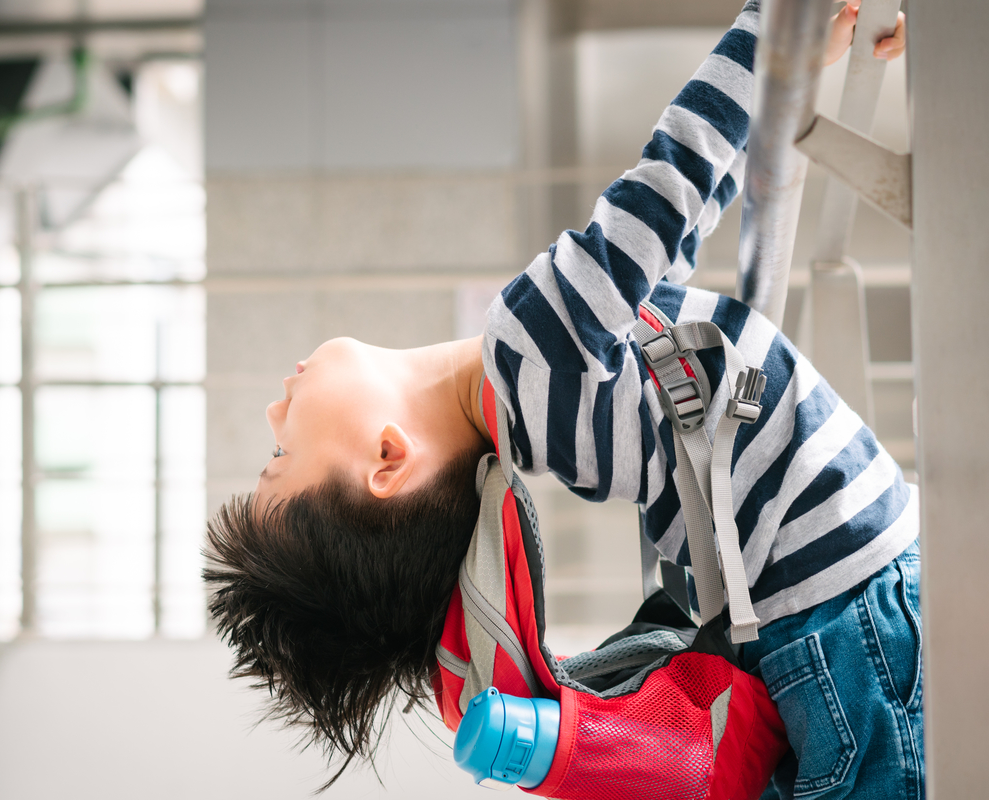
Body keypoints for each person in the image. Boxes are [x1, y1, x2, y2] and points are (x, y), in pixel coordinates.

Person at [204, 2, 915, 797]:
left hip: (828, 640)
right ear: (387, 458)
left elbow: (677, 240)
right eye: (280, 454)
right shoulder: (530, 348)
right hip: (857, 615)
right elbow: (671, 183)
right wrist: (773, 32)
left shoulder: (550, 417)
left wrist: (791, 70)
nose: (274, 413)